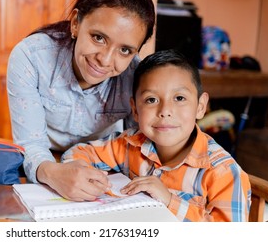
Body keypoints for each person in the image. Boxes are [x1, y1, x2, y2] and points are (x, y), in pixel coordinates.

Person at [7, 0, 156, 201]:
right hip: (45, 162)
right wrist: (53, 173)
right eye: (98, 38)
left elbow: (139, 143)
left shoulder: (137, 76)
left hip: (104, 170)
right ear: (76, 23)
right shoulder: (31, 57)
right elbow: (30, 144)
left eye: (125, 50)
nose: (105, 60)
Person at [61, 50, 251, 221]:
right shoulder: (129, 144)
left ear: (200, 106)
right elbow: (77, 153)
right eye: (151, 100)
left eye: (179, 98)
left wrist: (170, 201)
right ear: (135, 110)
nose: (165, 111)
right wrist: (82, 174)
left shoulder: (224, 173)